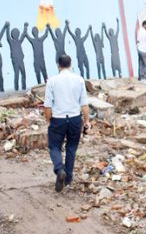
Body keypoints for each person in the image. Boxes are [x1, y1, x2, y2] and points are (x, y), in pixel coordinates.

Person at [44, 54, 92, 192]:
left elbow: (48, 105)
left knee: (54, 146)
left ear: (58, 65)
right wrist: (87, 121)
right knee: (71, 147)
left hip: (57, 119)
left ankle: (59, 169)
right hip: (75, 119)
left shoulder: (52, 81)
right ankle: (68, 178)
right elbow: (84, 103)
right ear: (71, 64)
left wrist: (49, 121)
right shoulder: (79, 80)